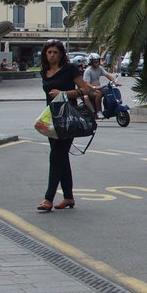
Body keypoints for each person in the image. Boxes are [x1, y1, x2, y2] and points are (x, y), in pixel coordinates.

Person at [38, 39, 90, 212]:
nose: (52, 55)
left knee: (55, 157)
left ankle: (48, 198)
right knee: (62, 158)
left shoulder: (70, 69)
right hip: (51, 118)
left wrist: (64, 93)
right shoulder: (44, 71)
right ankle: (68, 197)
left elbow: (85, 90)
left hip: (68, 118)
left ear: (61, 55)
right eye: (49, 52)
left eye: (55, 52)